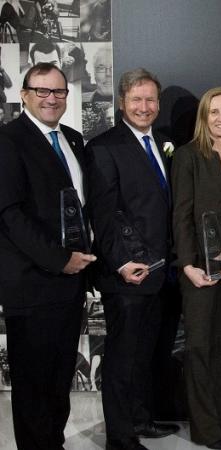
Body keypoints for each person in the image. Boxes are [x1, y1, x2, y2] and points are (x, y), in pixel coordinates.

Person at [0, 61, 94, 450]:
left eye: (58, 91)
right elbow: (10, 215)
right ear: (24, 95)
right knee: (33, 386)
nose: (51, 98)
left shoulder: (73, 139)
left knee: (58, 381)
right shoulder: (8, 140)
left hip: (69, 285)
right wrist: (59, 260)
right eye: (42, 91)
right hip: (32, 284)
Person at [87, 68, 178, 450]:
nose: (145, 107)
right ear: (122, 102)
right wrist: (123, 263)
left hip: (161, 272)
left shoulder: (162, 143)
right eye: (137, 99)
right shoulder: (104, 147)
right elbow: (103, 213)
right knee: (123, 357)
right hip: (127, 274)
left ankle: (141, 419)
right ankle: (120, 436)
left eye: (151, 99)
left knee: (146, 353)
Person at [171, 87, 221, 449]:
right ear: (204, 118)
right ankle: (205, 429)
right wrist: (187, 264)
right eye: (214, 112)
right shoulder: (188, 156)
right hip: (199, 269)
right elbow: (181, 215)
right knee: (199, 349)